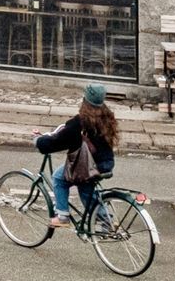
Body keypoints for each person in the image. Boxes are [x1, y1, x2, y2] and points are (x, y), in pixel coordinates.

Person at [37, 84, 120, 228]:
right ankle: (108, 221)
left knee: (58, 177)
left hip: (88, 165)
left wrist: (38, 141)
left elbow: (57, 142)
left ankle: (62, 216)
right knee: (86, 189)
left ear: (85, 101)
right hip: (105, 163)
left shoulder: (80, 123)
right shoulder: (106, 118)